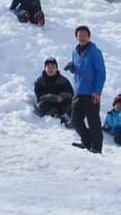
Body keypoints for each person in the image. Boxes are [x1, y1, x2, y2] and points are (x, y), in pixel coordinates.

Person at [67, 25, 106, 154]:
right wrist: (72, 67)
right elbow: (79, 70)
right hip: (79, 92)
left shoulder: (95, 52)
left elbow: (101, 73)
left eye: (84, 35)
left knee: (93, 122)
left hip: (91, 93)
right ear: (76, 37)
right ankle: (87, 142)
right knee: (75, 120)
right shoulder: (75, 52)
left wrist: (97, 91)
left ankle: (96, 147)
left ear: (89, 36)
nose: (82, 37)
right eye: (79, 35)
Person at [34, 57, 74, 124]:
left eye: (53, 67)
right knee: (42, 105)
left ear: (56, 68)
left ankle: (69, 120)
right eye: (48, 67)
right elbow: (39, 96)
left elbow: (70, 94)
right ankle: (55, 118)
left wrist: (61, 97)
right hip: (49, 105)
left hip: (62, 104)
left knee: (72, 106)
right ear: (45, 68)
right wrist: (53, 97)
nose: (50, 69)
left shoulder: (63, 80)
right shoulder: (40, 81)